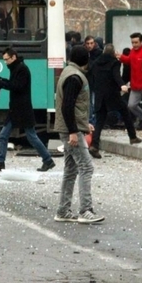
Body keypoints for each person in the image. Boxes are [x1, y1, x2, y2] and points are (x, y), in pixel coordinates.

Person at [54, 45, 104, 224]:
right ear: (86, 59)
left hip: (67, 128)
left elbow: (73, 107)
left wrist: (83, 124)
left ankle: (63, 210)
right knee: (86, 167)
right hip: (70, 131)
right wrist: (74, 131)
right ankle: (85, 210)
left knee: (70, 169)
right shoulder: (75, 77)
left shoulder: (68, 72)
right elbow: (67, 106)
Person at [0, 47, 56, 172]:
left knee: (31, 136)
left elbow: (17, 86)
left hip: (22, 109)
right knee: (4, 135)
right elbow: (15, 84)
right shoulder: (17, 68)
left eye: (6, 59)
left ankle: (48, 160)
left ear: (13, 57)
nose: (5, 62)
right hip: (17, 109)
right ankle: (0, 162)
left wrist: (2, 83)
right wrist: (3, 81)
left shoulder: (22, 69)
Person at [88, 43, 142, 158]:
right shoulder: (115, 62)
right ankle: (132, 137)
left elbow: (91, 77)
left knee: (99, 121)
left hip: (99, 95)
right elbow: (116, 75)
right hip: (112, 94)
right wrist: (122, 85)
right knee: (125, 112)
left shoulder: (96, 63)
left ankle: (94, 145)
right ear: (113, 53)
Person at [117, 32, 142, 136]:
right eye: (132, 42)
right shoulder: (133, 52)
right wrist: (120, 57)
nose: (134, 45)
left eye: (136, 42)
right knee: (131, 105)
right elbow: (129, 60)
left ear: (141, 42)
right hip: (136, 85)